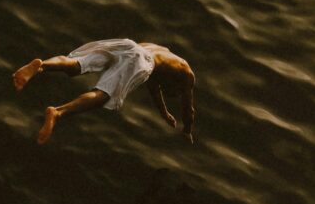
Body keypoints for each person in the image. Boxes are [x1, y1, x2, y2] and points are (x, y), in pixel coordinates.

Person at [12, 39, 196, 145]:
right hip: (141, 59)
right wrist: (187, 130)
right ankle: (58, 112)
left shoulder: (163, 54)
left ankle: (41, 66)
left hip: (128, 45)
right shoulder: (187, 75)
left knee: (77, 64)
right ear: (178, 87)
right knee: (104, 95)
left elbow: (154, 89)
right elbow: (189, 109)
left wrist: (164, 113)